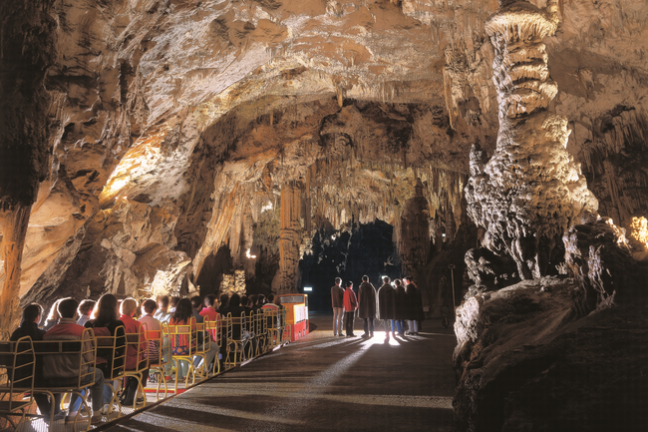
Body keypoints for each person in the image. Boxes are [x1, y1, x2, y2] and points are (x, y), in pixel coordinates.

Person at [45, 298, 106, 425]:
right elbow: (89, 360)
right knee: (97, 374)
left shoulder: (48, 333)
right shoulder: (81, 332)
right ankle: (96, 414)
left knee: (82, 375)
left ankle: (73, 415)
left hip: (51, 378)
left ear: (60, 312)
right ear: (75, 313)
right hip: (75, 377)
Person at [10, 304, 65, 422]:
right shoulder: (41, 335)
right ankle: (54, 412)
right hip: (36, 378)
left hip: (16, 378)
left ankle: (48, 412)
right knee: (53, 380)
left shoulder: (15, 334)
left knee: (34, 381)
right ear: (38, 317)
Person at [84, 293, 125, 412]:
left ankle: (95, 401)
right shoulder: (118, 325)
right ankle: (106, 403)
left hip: (91, 363)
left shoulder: (88, 324)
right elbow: (121, 347)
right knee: (111, 361)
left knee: (100, 366)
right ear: (115, 308)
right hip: (110, 365)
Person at [119, 298, 149, 406]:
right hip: (131, 361)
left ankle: (123, 389)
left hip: (115, 362)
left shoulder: (116, 323)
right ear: (133, 310)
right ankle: (138, 393)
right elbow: (143, 346)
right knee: (145, 362)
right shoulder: (136, 324)